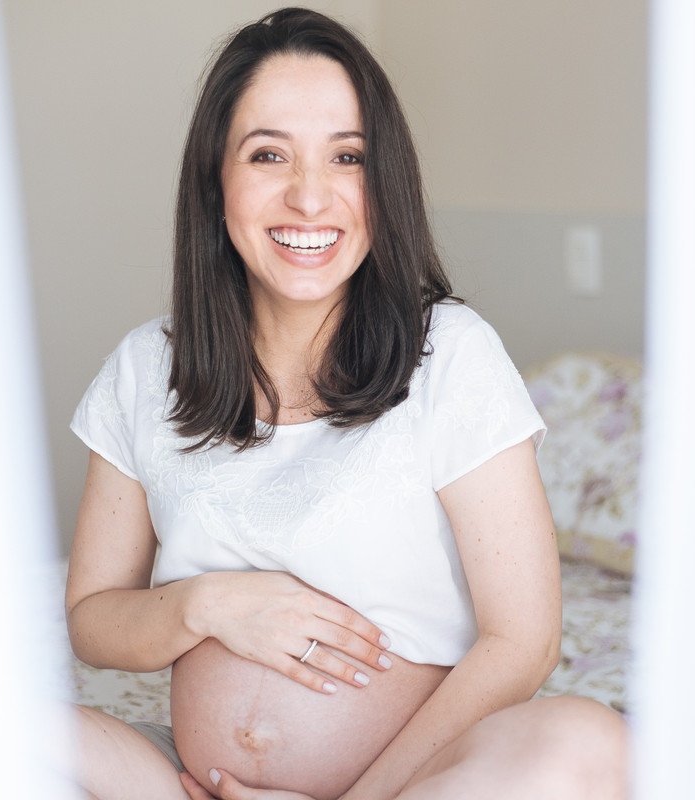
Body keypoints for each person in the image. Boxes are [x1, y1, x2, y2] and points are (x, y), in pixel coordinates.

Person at [65, 7, 628, 799]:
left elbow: (523, 642)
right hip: (188, 784)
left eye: (346, 157)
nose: (308, 196)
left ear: (383, 180)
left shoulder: (452, 356)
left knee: (588, 744)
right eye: (268, 155)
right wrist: (208, 604)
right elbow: (93, 618)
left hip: (405, 788)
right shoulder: (145, 369)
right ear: (214, 179)